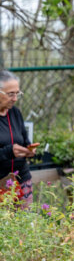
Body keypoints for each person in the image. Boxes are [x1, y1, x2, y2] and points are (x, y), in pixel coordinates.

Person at [0, 70, 39, 208]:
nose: (15, 99)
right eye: (11, 94)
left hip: (21, 180)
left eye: (17, 93)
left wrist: (29, 150)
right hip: (1, 183)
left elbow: (24, 139)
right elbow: (8, 150)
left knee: (24, 226)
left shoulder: (15, 113)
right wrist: (9, 151)